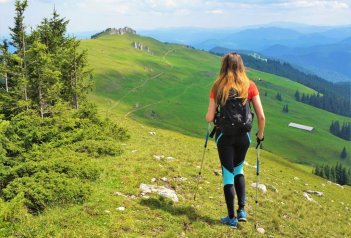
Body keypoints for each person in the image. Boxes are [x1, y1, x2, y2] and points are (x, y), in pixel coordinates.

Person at [205, 52, 265, 228]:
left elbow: (209, 117)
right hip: (244, 137)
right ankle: (242, 211)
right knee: (239, 170)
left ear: (224, 66)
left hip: (224, 138)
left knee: (228, 175)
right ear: (241, 66)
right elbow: (261, 117)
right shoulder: (250, 85)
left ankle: (231, 219)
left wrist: (212, 116)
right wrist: (260, 135)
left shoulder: (218, 87)